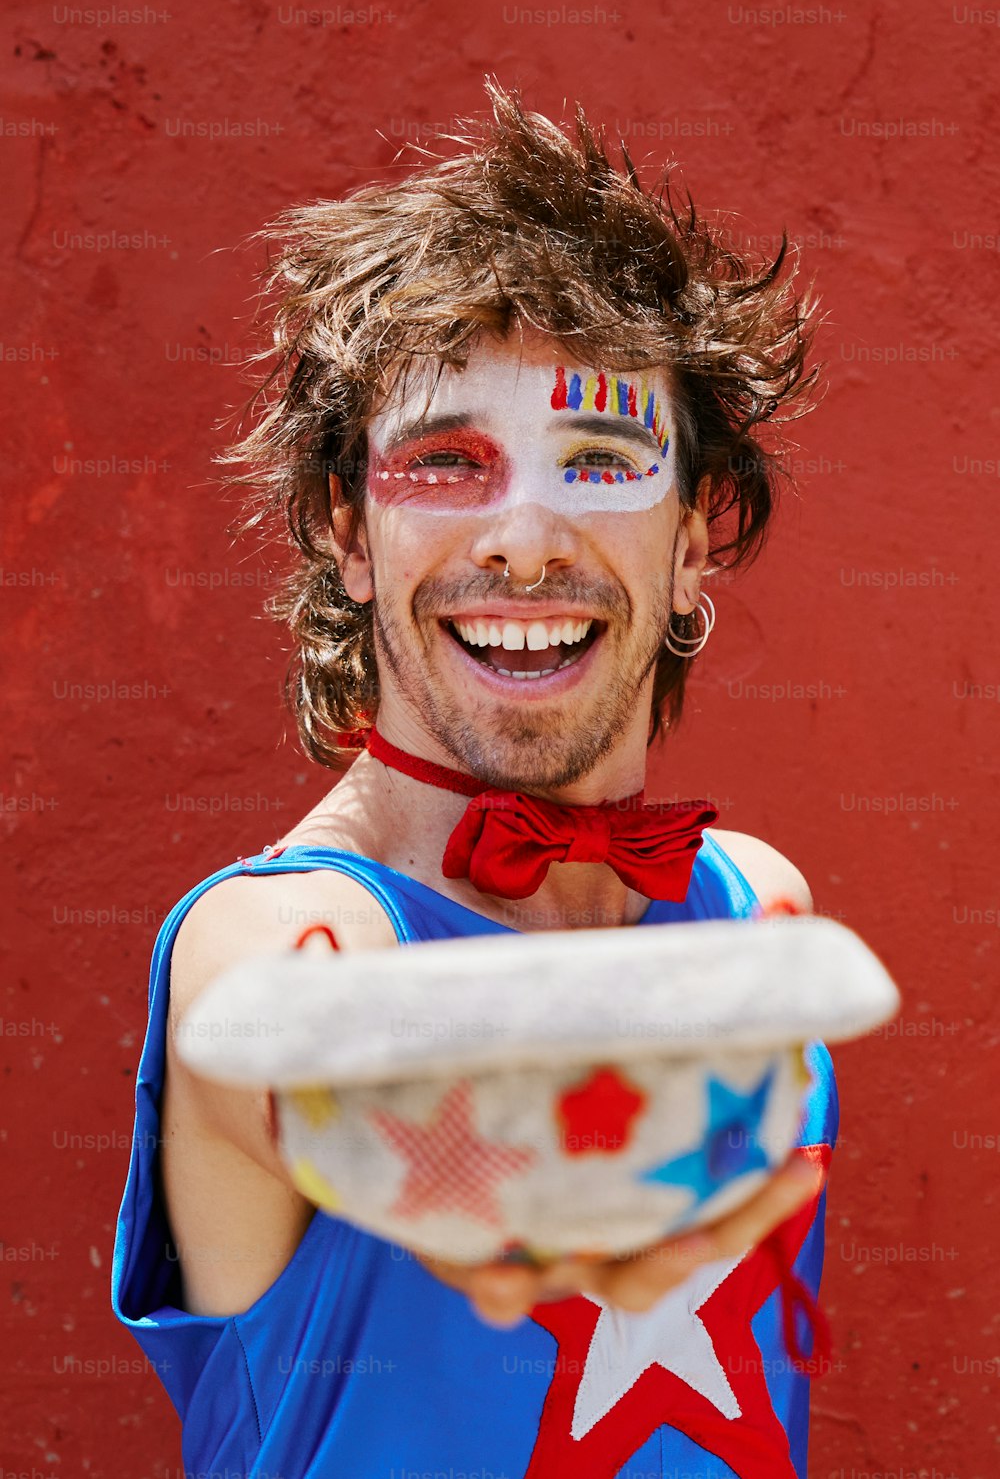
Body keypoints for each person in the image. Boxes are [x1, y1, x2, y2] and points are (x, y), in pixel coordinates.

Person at [112, 80, 837, 1479]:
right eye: (446, 464)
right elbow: (299, 1048)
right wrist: (490, 1189)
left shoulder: (759, 917)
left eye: (601, 461)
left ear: (695, 540)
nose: (521, 541)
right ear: (348, 532)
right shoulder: (270, 937)